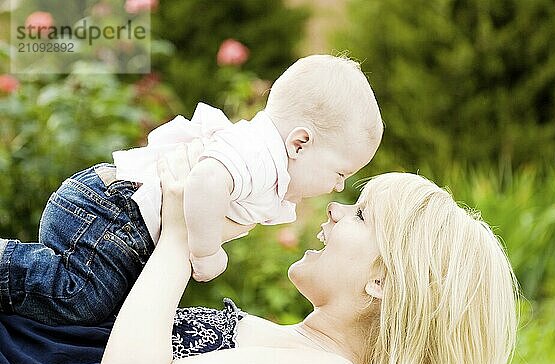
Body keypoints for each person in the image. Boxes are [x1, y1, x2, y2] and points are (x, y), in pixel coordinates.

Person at [93, 152, 519, 364]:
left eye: (362, 214)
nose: (335, 208)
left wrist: (178, 241)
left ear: (383, 282)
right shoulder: (305, 354)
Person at [0, 54, 383, 326]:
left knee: (103, 313)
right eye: (340, 172)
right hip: (112, 213)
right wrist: (206, 251)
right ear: (299, 144)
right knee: (80, 296)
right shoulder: (257, 155)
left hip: (117, 222)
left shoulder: (269, 165)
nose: (339, 185)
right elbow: (205, 180)